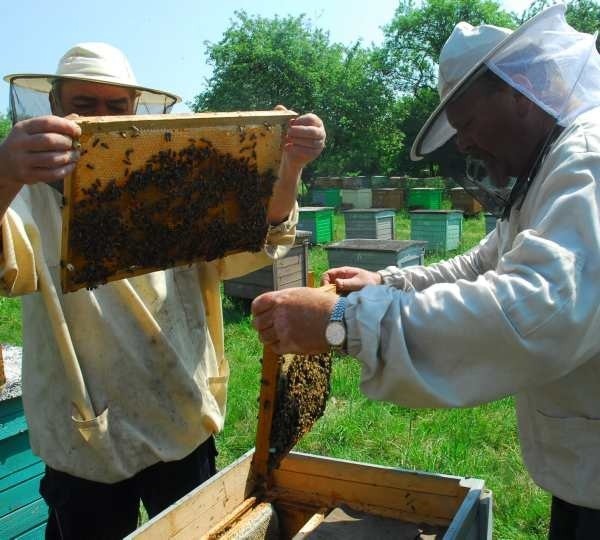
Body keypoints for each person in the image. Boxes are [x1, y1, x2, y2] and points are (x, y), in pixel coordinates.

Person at [251, 5, 600, 538]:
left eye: (468, 122)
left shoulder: (588, 158)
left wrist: (344, 320)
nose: (462, 143)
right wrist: (386, 283)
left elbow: (538, 308)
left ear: (520, 91)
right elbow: (485, 262)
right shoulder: (550, 161)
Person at [0, 42, 326, 539]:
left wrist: (291, 166)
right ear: (54, 107)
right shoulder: (25, 194)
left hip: (179, 413)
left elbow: (250, 242)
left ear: (135, 110)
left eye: (116, 107)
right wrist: (4, 172)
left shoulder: (178, 180)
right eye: (84, 105)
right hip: (84, 439)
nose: (102, 119)